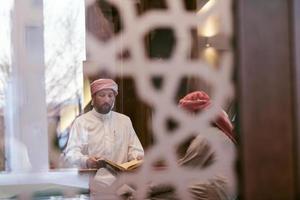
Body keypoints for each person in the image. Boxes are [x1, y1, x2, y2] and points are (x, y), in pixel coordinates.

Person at [148, 91, 236, 200]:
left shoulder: (207, 136)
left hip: (215, 190)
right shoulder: (217, 134)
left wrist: (148, 188)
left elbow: (182, 174)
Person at [64, 78, 144, 186]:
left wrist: (137, 158)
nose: (106, 100)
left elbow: (135, 150)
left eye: (110, 96)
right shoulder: (81, 122)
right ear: (93, 97)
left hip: (122, 185)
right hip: (91, 184)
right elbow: (70, 155)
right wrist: (87, 161)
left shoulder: (124, 121)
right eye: (102, 95)